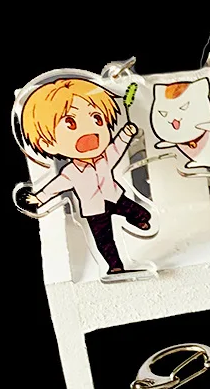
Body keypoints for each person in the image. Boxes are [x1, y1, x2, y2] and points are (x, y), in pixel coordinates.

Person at [20, 78, 151, 276]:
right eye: (70, 123)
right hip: (94, 210)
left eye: (97, 119)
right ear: (48, 144)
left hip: (115, 197)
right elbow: (55, 186)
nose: (89, 132)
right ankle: (115, 266)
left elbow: (117, 147)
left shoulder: (105, 157)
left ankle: (140, 220)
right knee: (104, 240)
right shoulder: (71, 172)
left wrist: (126, 133)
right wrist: (39, 198)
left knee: (141, 213)